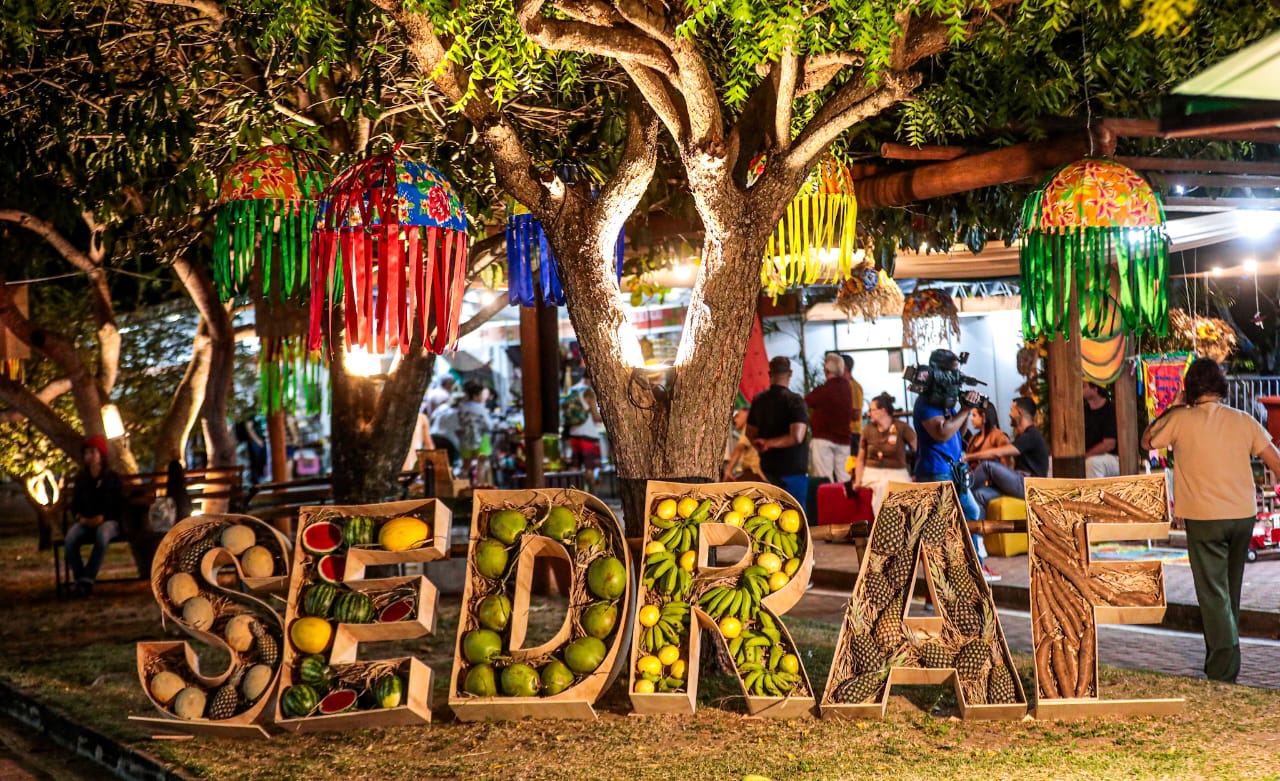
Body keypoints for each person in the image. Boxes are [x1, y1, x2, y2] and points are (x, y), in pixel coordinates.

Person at [1142, 358, 1280, 683]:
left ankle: (1224, 669)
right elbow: (1274, 459)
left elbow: (1148, 440)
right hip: (1243, 515)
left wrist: (1172, 406)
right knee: (1229, 591)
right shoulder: (1243, 420)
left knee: (1213, 593)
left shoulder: (1179, 420)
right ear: (1221, 386)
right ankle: (1218, 659)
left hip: (1204, 518)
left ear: (1189, 388)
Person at [911, 350, 994, 580]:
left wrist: (965, 409)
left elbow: (959, 431)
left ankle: (971, 567)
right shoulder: (926, 403)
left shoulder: (945, 403)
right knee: (943, 526)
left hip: (952, 470)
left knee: (967, 513)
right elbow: (942, 433)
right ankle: (946, 580)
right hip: (936, 471)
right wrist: (966, 409)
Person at [64, 435, 127, 597]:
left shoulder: (112, 478)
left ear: (101, 455)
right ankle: (81, 580)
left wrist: (103, 517)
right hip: (86, 521)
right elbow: (75, 504)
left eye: (93, 452)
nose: (89, 456)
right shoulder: (82, 479)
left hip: (108, 521)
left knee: (103, 534)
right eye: (87, 453)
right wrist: (80, 517)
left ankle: (87, 580)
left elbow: (119, 503)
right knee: (70, 538)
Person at [964, 396, 1050, 512]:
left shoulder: (1032, 435)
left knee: (987, 466)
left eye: (1011, 410)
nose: (1009, 414)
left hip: (1029, 486)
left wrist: (968, 457)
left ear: (1019, 413)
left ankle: (960, 489)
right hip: (1021, 484)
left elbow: (999, 453)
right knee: (979, 494)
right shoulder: (1023, 436)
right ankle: (977, 530)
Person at [747, 356, 810, 505]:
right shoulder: (795, 401)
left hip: (767, 470)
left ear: (770, 374)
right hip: (793, 469)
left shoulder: (759, 400)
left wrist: (761, 445)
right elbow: (797, 436)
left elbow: (750, 433)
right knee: (796, 516)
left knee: (769, 514)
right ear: (790, 373)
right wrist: (768, 443)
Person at [854, 393, 916, 514]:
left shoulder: (902, 427)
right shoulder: (867, 430)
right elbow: (860, 459)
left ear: (882, 411)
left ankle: (907, 526)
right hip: (873, 472)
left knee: (906, 490)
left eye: (871, 410)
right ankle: (883, 526)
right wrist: (857, 480)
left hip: (897, 472)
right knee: (883, 486)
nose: (869, 413)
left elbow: (918, 448)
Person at [805, 353, 853, 483]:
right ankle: (846, 503)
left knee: (824, 478)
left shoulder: (824, 390)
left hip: (823, 438)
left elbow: (806, 401)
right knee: (845, 477)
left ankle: (829, 503)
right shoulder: (848, 387)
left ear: (826, 370)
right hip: (844, 439)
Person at [563, 379, 605, 484]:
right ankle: (588, 494)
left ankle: (571, 490)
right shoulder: (589, 393)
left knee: (575, 466)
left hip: (574, 434)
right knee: (589, 468)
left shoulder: (574, 391)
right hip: (588, 435)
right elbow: (595, 417)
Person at [457, 381, 493, 482]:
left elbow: (458, 423)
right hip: (481, 439)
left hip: (465, 439)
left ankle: (463, 487)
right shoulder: (480, 408)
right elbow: (489, 425)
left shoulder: (461, 406)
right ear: (476, 395)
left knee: (466, 466)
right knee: (481, 466)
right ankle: (480, 488)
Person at [1083, 381, 1120, 478]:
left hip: (1113, 458)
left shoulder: (1111, 410)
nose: (1080, 389)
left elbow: (1109, 444)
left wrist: (1085, 456)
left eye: (1084, 386)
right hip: (1088, 456)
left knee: (1093, 463)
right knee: (1052, 462)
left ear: (1095, 389)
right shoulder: (1084, 411)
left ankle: (1093, 493)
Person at [965, 400, 1014, 471]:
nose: (971, 419)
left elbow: (1007, 466)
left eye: (974, 415)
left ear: (983, 416)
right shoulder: (973, 438)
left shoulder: (999, 436)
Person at [723, 405, 765, 482]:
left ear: (747, 416)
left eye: (738, 416)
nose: (735, 419)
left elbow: (739, 448)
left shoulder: (748, 428)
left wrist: (728, 471)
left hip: (754, 473)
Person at [429, 392, 463, 469]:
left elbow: (431, 419)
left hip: (434, 436)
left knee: (434, 463)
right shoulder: (458, 412)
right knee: (447, 465)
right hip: (448, 440)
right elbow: (459, 430)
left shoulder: (442, 407)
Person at [842, 354, 864, 453]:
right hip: (844, 434)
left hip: (852, 434)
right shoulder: (842, 385)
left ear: (845, 367)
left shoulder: (854, 387)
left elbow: (857, 415)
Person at [402, 406, 435, 473]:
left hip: (411, 463)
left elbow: (429, 446)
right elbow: (429, 446)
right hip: (410, 464)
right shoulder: (421, 418)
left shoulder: (422, 418)